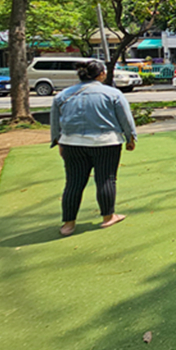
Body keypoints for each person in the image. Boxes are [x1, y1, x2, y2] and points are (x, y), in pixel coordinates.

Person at [49, 59, 137, 236]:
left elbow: (55, 122)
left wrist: (57, 141)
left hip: (71, 143)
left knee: (73, 182)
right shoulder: (113, 93)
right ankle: (108, 217)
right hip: (106, 142)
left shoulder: (63, 95)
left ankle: (68, 224)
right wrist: (130, 138)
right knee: (106, 179)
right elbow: (125, 119)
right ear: (102, 74)